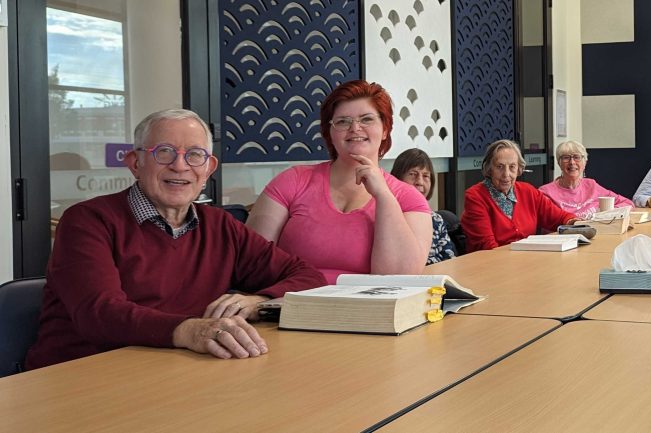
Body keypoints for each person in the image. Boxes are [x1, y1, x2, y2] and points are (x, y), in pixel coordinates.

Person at [24, 109, 326, 370]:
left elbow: (307, 277)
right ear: (135, 163)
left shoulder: (221, 225)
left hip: (175, 369)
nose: (180, 166)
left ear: (208, 169)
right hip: (80, 376)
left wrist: (256, 303)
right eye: (164, 152)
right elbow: (99, 313)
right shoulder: (88, 221)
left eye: (195, 155)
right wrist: (189, 331)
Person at [247, 80, 432, 284]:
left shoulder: (408, 198)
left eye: (367, 119)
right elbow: (252, 262)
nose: (355, 128)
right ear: (330, 133)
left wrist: (383, 196)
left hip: (369, 310)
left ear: (385, 129)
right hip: (291, 303)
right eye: (342, 121)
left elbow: (397, 280)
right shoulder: (293, 181)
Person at [461, 139, 578, 252]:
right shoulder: (475, 196)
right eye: (499, 167)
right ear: (489, 169)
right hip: (491, 266)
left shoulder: (527, 191)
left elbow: (559, 217)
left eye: (512, 167)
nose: (506, 174)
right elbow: (488, 248)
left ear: (519, 169)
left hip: (526, 262)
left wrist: (575, 222)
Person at [391, 148, 456, 264]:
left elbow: (450, 258)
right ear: (396, 179)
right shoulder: (388, 217)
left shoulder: (436, 219)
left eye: (426, 176)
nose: (420, 182)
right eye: (412, 174)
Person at [539, 140, 634, 216]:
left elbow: (628, 203)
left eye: (577, 157)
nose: (572, 162)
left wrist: (607, 214)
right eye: (566, 158)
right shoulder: (546, 192)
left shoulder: (591, 185)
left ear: (585, 162)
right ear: (559, 163)